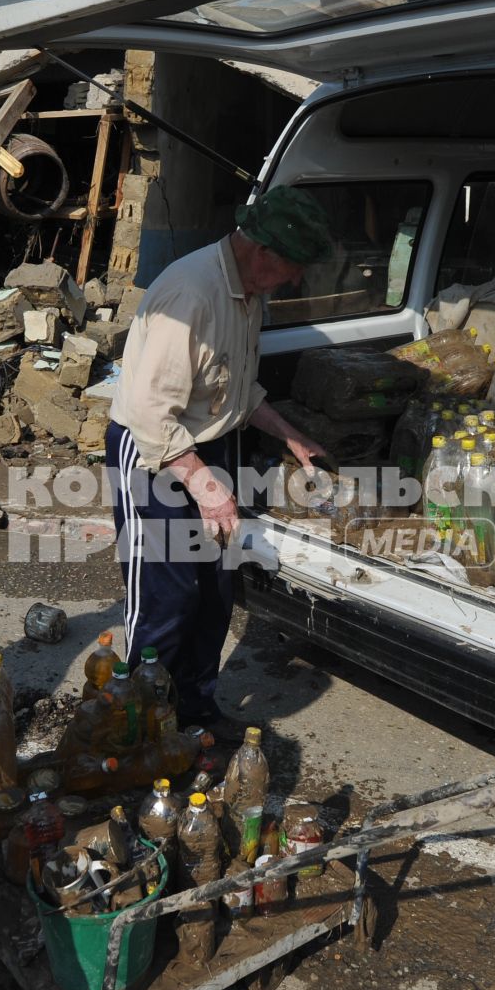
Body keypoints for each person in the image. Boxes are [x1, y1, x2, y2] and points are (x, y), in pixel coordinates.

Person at [107, 185, 333, 733]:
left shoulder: (250, 293)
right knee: (166, 597)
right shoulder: (191, 294)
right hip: (154, 452)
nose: (297, 281)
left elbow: (236, 391)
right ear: (263, 253)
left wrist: (291, 436)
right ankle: (138, 728)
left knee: (214, 590)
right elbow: (148, 412)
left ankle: (195, 710)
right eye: (294, 268)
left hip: (210, 442)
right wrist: (206, 486)